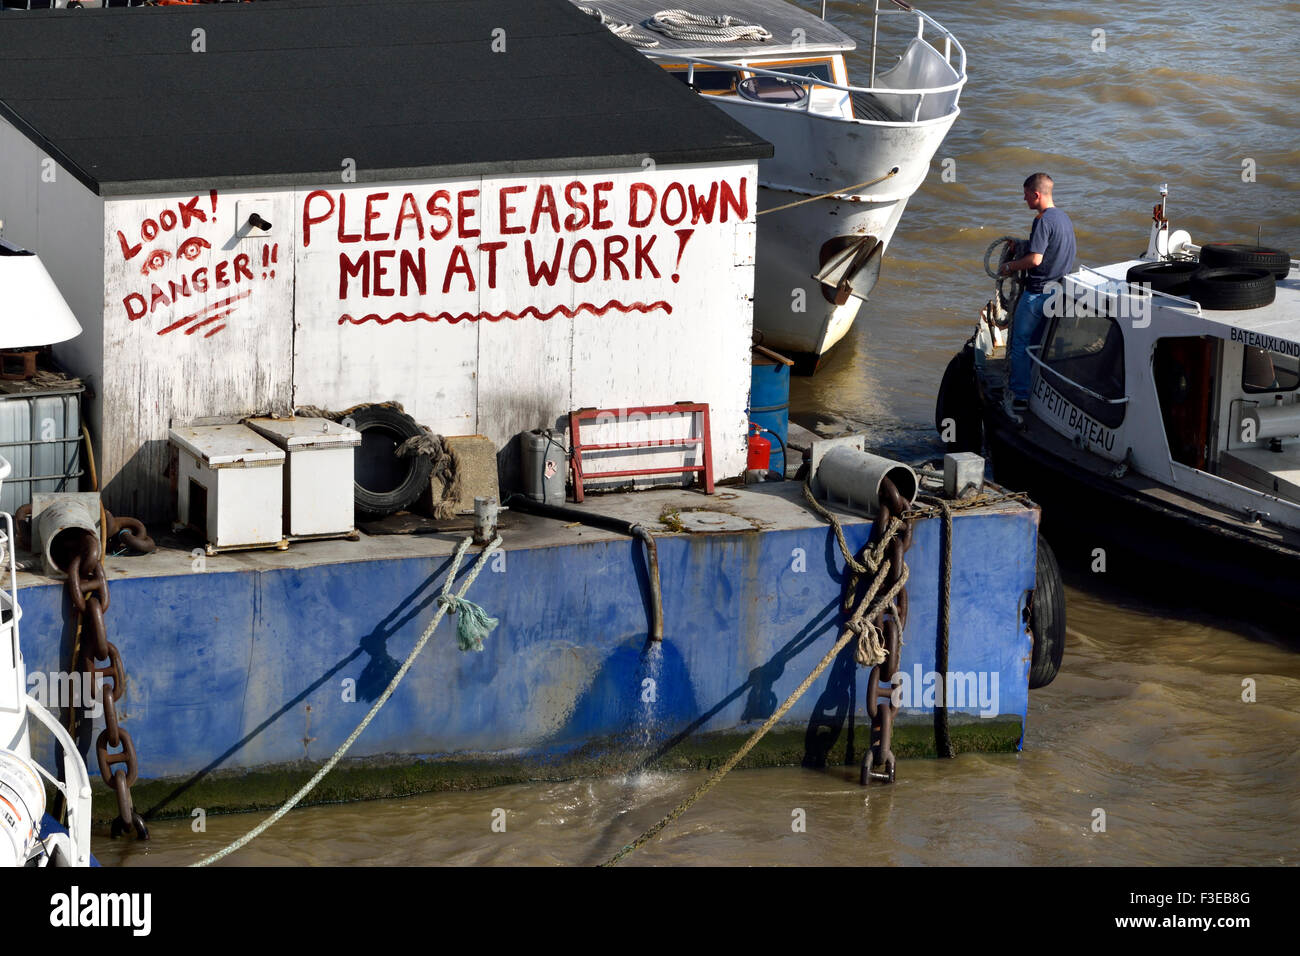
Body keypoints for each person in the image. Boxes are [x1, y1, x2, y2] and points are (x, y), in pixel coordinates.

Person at [998, 173, 1077, 420]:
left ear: (1036, 194)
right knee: (1039, 344)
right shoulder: (1063, 219)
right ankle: (1040, 391)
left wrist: (1009, 267)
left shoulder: (1042, 220)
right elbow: (1051, 250)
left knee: (1020, 344)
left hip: (1037, 294)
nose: (1024, 199)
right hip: (1057, 293)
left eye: (1025, 195)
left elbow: (1036, 259)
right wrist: (1021, 245)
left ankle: (1020, 396)